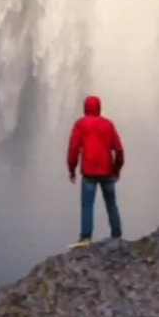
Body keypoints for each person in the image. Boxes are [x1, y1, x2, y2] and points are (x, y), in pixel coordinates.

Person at [67, 95, 124, 248]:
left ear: (85, 108)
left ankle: (85, 238)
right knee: (112, 204)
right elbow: (119, 150)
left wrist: (72, 169)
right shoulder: (108, 125)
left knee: (87, 206)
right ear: (99, 108)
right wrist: (117, 169)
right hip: (108, 171)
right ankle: (117, 235)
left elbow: (73, 149)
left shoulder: (81, 125)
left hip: (89, 173)